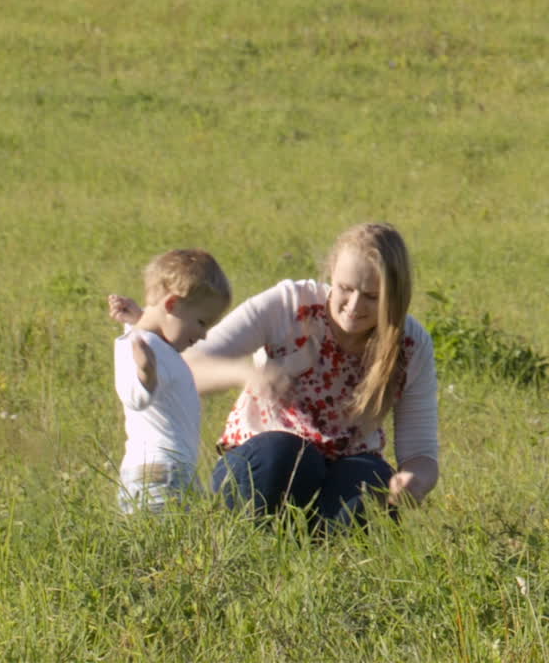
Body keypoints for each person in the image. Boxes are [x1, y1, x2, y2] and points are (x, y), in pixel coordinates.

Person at [185, 222, 439, 528]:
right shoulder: (289, 305)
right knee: (283, 452)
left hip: (344, 472)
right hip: (267, 465)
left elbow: (420, 452)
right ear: (331, 272)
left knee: (368, 481)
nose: (355, 307)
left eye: (372, 296)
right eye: (346, 289)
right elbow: (188, 367)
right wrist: (244, 373)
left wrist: (414, 480)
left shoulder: (410, 343)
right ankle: (247, 540)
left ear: (394, 294)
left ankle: (327, 555)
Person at [107, 249, 231, 514]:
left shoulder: (156, 344)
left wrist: (139, 319)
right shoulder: (139, 347)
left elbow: (153, 333)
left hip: (174, 473)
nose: (203, 335)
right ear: (172, 305)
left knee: (182, 548)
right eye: (201, 322)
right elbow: (134, 397)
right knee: (160, 552)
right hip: (157, 476)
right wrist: (145, 374)